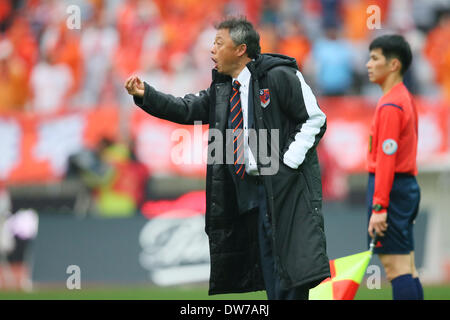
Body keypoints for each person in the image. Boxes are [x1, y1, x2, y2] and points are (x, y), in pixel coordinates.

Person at [125, 16, 330, 300]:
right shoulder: (224, 89)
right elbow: (186, 109)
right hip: (250, 195)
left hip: (285, 191)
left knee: (293, 278)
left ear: (240, 49)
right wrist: (147, 94)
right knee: (272, 280)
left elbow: (315, 119)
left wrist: (286, 164)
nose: (212, 50)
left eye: (219, 43)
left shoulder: (279, 75)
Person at [365, 34, 423, 300]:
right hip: (405, 187)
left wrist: (379, 206)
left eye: (375, 58)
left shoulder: (390, 104)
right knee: (407, 267)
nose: (368, 64)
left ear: (393, 65)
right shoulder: (405, 98)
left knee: (395, 268)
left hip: (392, 190)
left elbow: (387, 158)